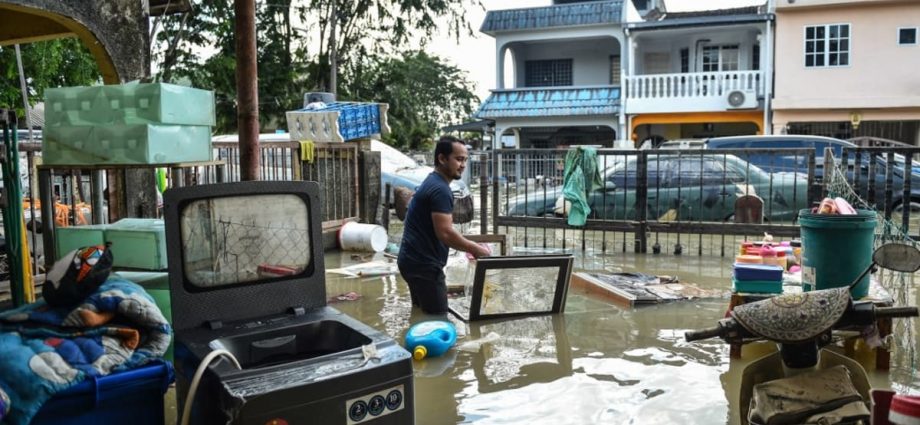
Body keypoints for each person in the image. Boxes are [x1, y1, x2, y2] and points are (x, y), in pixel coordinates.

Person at [398, 136, 491, 314]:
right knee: (438, 319)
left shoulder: (432, 181)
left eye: (465, 160)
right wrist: (476, 249)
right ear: (442, 159)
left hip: (411, 261)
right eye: (458, 159)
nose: (463, 165)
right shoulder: (441, 190)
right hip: (424, 266)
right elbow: (446, 233)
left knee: (420, 315)